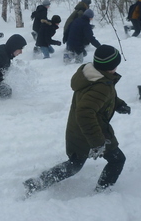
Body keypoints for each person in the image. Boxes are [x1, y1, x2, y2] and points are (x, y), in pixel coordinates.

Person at [23, 45, 130, 197]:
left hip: (78, 131)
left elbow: (100, 99)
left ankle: (38, 182)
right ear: (110, 66)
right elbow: (86, 112)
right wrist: (97, 142)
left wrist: (119, 104)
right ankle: (102, 192)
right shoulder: (101, 86)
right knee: (117, 160)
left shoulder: (92, 75)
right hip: (95, 132)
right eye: (115, 65)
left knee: (75, 165)